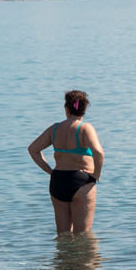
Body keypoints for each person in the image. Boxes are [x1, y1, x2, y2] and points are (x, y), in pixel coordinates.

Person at [29, 89, 104, 235]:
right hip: (81, 181)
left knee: (62, 236)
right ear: (84, 109)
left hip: (58, 181)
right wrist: (96, 175)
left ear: (66, 108)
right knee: (83, 237)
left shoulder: (55, 128)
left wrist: (50, 171)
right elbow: (99, 153)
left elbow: (33, 150)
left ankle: (62, 258)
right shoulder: (85, 128)